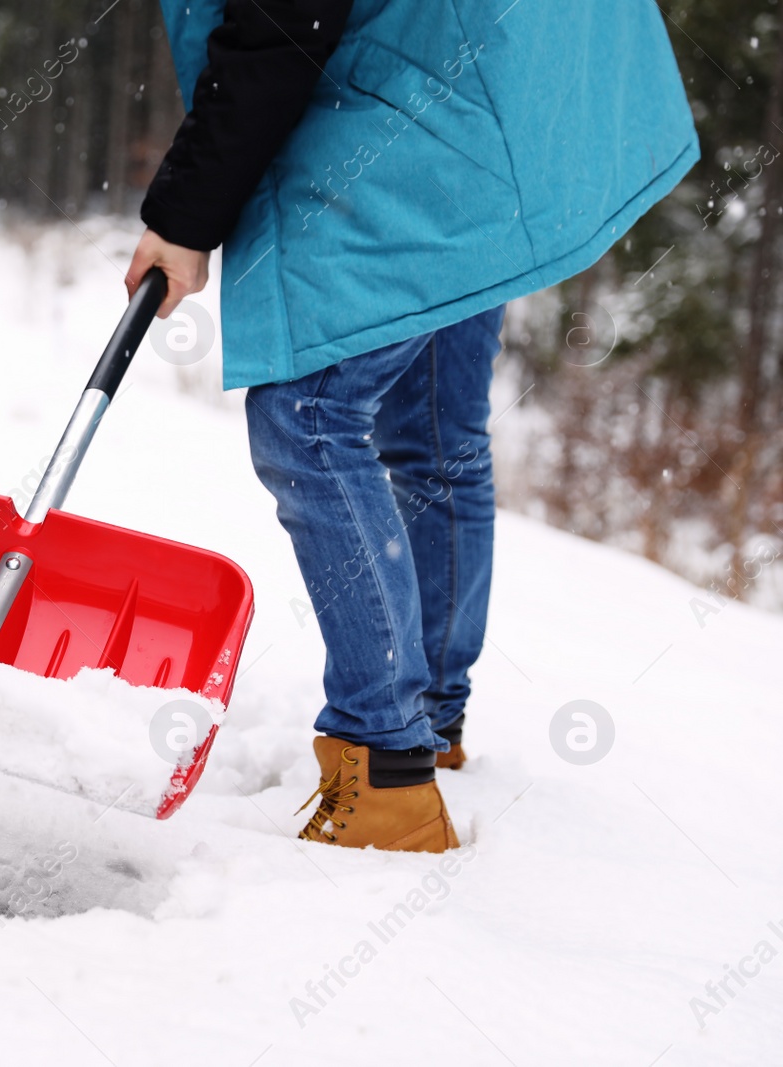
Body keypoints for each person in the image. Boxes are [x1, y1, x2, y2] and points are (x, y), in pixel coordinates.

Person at [126, 0, 697, 852]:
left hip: (420, 104)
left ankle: (388, 766)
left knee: (306, 418)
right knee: (437, 433)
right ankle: (427, 718)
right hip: (488, 92)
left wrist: (183, 216)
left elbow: (284, 26)